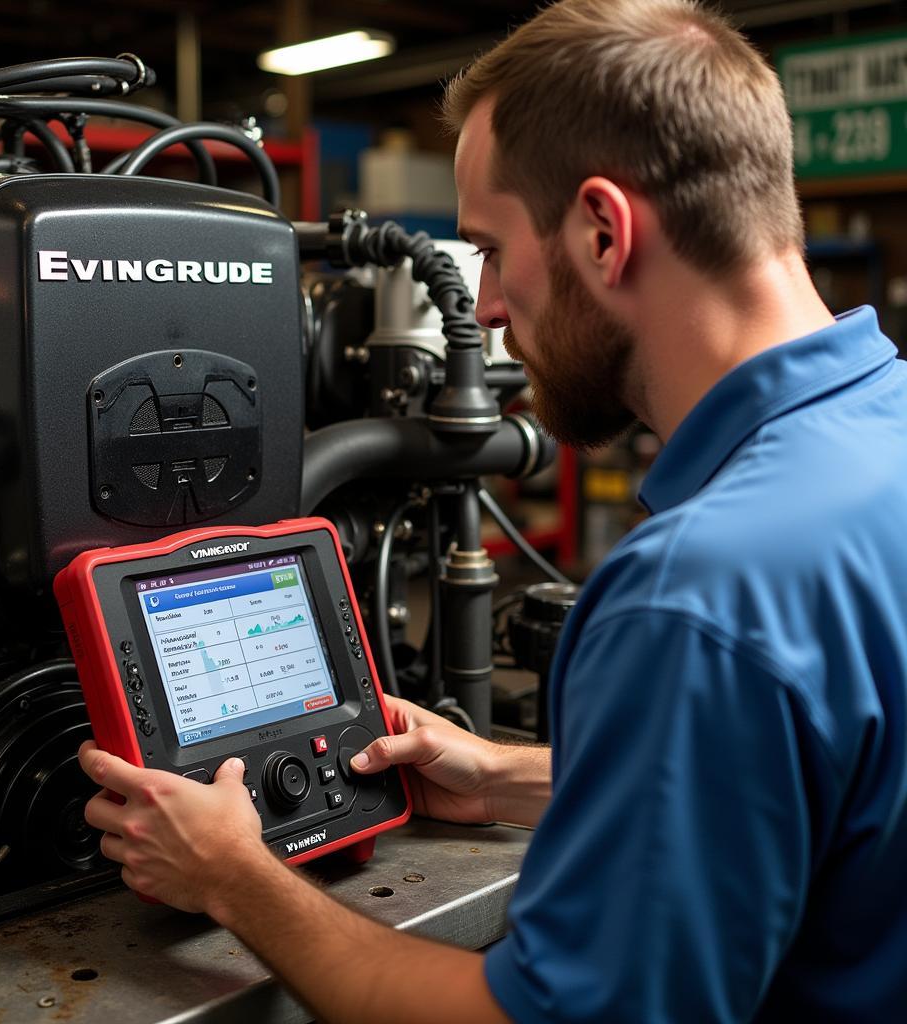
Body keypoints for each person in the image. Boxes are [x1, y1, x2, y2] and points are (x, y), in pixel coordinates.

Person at [80, 1, 907, 1020]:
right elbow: (816, 783)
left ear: (603, 231)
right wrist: (512, 775)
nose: (485, 308)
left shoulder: (695, 595)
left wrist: (234, 876)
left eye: (490, 249)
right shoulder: (882, 436)